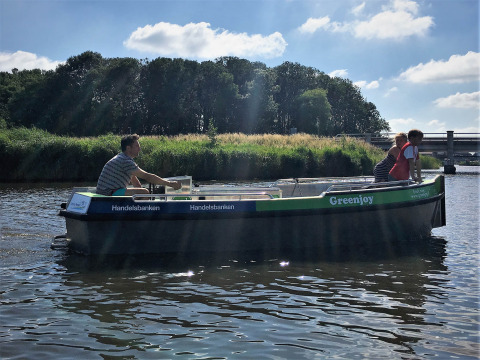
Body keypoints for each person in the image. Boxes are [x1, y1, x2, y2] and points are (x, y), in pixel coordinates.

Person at [96, 134, 181, 196]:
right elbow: (147, 176)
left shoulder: (123, 158)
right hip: (109, 193)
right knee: (144, 192)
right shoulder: (125, 161)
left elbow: (136, 184)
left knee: (142, 192)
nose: (139, 149)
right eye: (137, 146)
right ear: (128, 148)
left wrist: (142, 193)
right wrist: (170, 183)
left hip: (109, 192)